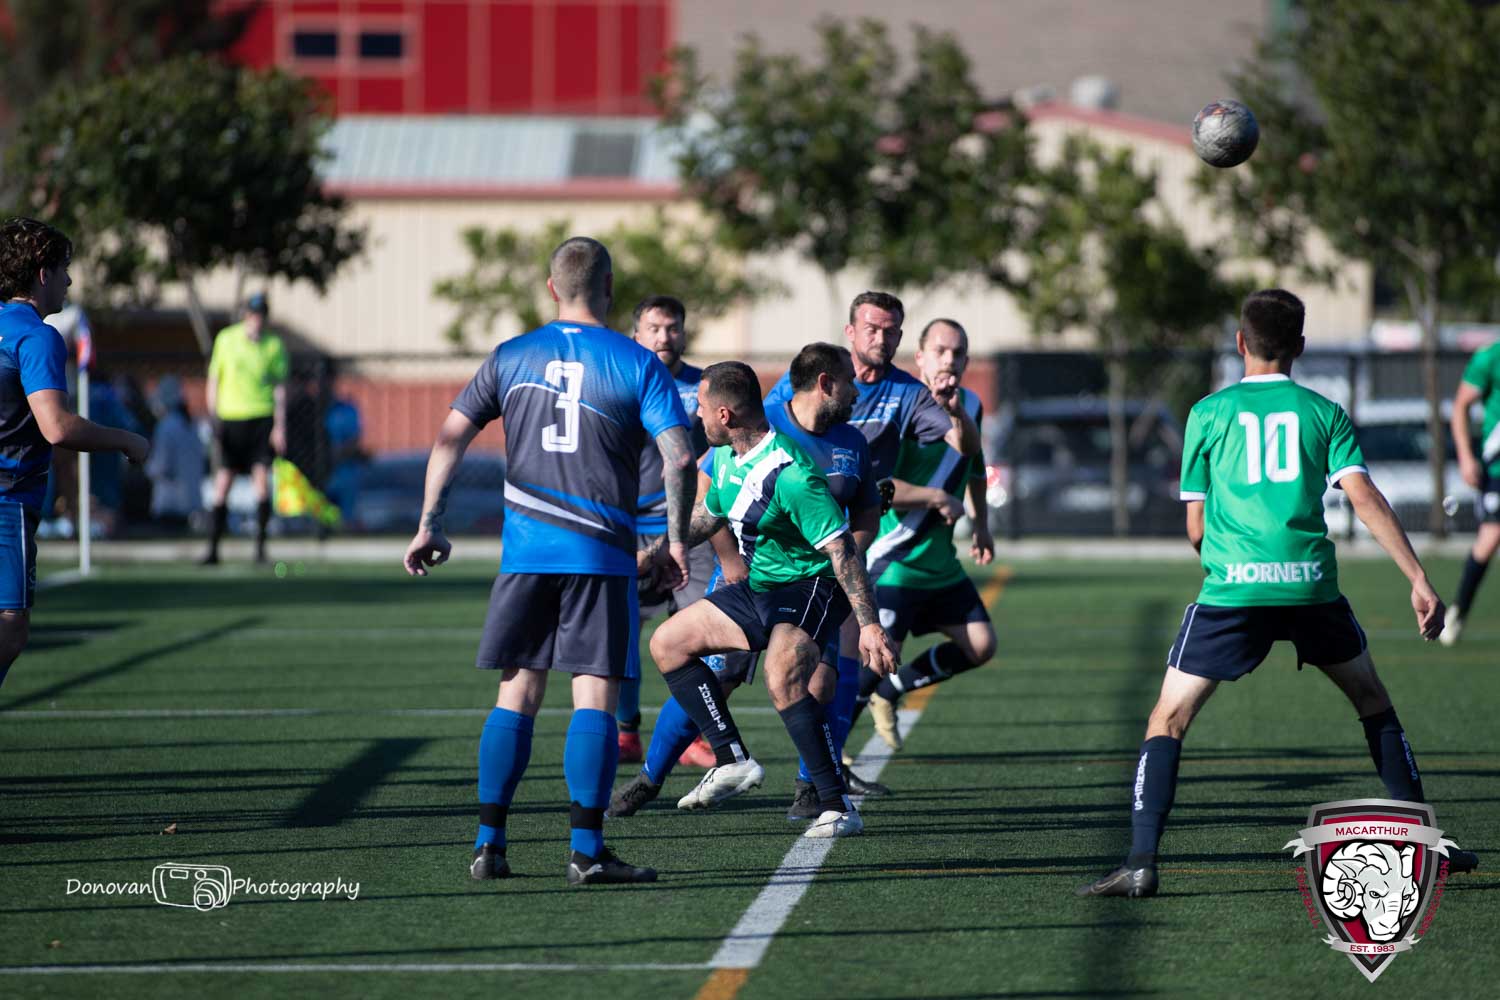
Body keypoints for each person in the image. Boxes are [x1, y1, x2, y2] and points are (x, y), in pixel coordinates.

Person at [1078, 289, 1478, 898]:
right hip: (1309, 585)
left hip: (1234, 590)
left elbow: (1195, 527)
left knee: (1169, 718)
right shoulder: (1325, 412)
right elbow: (1364, 498)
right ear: (1301, 347)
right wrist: (1418, 577)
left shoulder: (1207, 413)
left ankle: (1140, 861)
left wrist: (1230, 565)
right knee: (1372, 700)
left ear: (1240, 342)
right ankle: (1430, 846)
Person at [403, 236, 695, 886]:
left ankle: (489, 844)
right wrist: (676, 541)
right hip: (601, 554)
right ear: (609, 288)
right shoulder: (636, 360)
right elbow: (679, 456)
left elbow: (450, 438)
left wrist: (429, 524)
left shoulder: (511, 355)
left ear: (551, 287)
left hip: (527, 554)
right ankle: (586, 851)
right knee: (593, 694)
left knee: (517, 691)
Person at [610, 344, 886, 821]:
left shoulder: (791, 474)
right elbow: (707, 515)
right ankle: (730, 758)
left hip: (810, 586)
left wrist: (869, 625)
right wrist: (655, 554)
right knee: (668, 642)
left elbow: (842, 549)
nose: (696, 414)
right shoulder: (727, 456)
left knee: (787, 677)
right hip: (760, 584)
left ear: (725, 414)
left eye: (701, 406)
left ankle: (833, 803)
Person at [0, 217, 148, 688]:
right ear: (42, 274)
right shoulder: (37, 336)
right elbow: (57, 427)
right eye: (64, 269)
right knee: (10, 627)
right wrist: (125, 439)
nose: (69, 280)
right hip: (6, 498)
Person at [856, 319, 998, 751]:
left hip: (939, 563)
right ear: (920, 357)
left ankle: (891, 692)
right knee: (872, 663)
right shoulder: (900, 406)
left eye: (958, 353)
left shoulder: (969, 404)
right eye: (940, 351)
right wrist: (937, 498)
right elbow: (880, 486)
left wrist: (982, 525)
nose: (949, 360)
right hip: (894, 562)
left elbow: (974, 465)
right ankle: (828, 766)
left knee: (981, 645)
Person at [618, 294, 717, 765]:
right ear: (636, 334)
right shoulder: (621, 381)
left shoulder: (705, 386)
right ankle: (626, 732)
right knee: (622, 634)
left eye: (672, 327)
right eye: (654, 328)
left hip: (691, 529)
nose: (664, 337)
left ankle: (689, 734)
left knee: (704, 634)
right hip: (631, 527)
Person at [202, 291, 287, 565]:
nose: (256, 320)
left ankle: (260, 549)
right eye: (253, 314)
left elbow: (279, 388)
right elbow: (214, 379)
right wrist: (214, 417)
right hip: (231, 419)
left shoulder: (274, 345)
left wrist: (279, 426)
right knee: (223, 482)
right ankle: (213, 548)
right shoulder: (226, 340)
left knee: (262, 483)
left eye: (261, 315)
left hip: (261, 419)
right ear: (245, 315)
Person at [1439, 339, 1500, 645]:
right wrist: (1465, 456)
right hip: (1497, 467)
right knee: (1490, 538)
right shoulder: (1491, 358)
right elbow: (1461, 404)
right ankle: (1459, 611)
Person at [145, 375, 206, 530]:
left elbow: (160, 466)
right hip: (191, 502)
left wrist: (144, 467)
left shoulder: (166, 426)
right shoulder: (192, 425)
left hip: (170, 503)